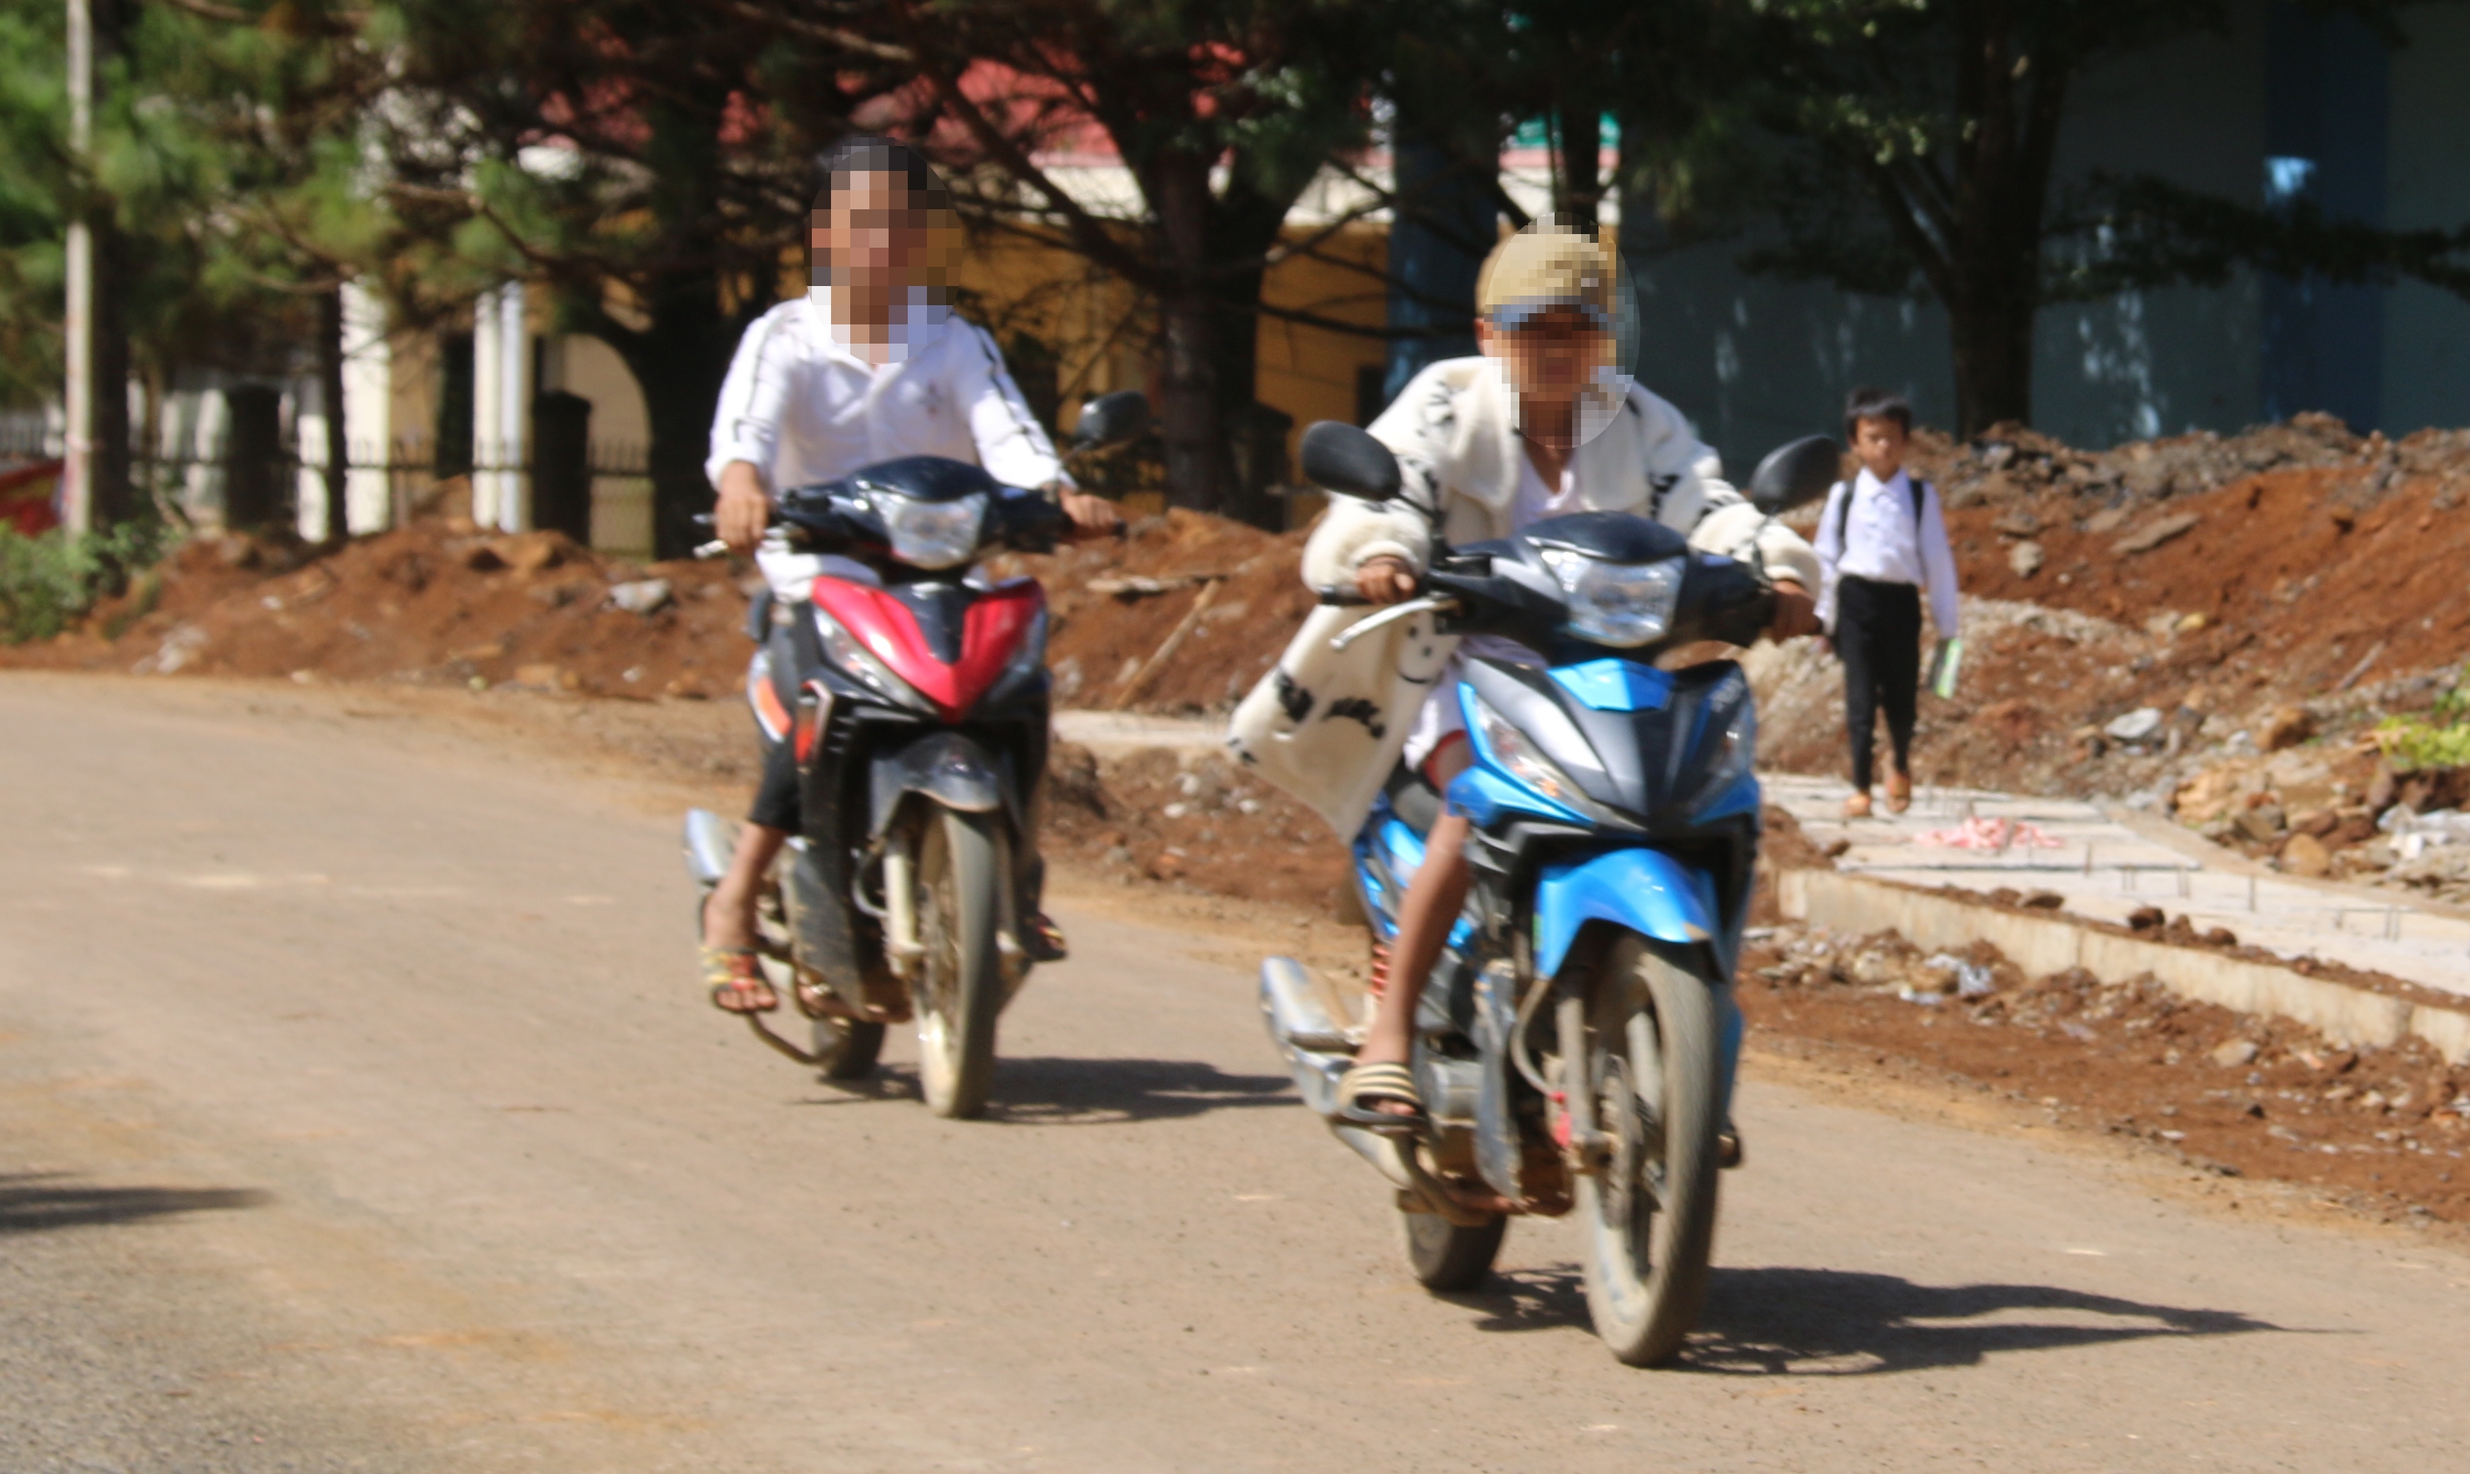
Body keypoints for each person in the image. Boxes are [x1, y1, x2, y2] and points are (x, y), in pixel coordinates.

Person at [1228, 222, 1822, 1124]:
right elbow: (1387, 492)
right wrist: (1387, 552)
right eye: (1530, 328)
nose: (1554, 349)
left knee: (1706, 807)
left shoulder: (1640, 419)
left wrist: (1776, 570)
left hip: (1609, 678)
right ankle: (1388, 1035)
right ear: (1487, 335)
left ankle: (1690, 1038)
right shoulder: (1442, 404)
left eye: (1576, 328)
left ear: (1602, 340)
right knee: (1476, 807)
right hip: (1457, 670)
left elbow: (1712, 506)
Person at [698, 137, 1120, 1015]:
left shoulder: (955, 340)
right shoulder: (783, 338)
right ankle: (735, 899)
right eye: (861, 224)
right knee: (819, 704)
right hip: (822, 572)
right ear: (823, 233)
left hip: (940, 573)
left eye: (900, 224)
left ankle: (1021, 877)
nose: (881, 243)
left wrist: (1059, 497)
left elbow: (1012, 439)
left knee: (1021, 690)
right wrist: (742, 488)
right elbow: (747, 435)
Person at [1812, 385, 1958, 819]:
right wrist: (1821, 619)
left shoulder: (1919, 496)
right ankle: (1861, 785)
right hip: (1855, 601)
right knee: (1859, 697)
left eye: (1892, 436)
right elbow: (1825, 557)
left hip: (1901, 604)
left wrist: (1949, 625)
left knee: (1900, 696)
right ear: (1855, 442)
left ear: (1907, 440)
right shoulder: (1843, 496)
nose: (1883, 446)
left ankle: (1899, 762)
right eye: (1872, 437)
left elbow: (1937, 557)